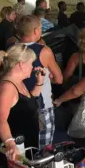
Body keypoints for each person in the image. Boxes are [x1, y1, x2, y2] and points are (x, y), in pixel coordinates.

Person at [17, 15, 63, 148]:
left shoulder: (12, 49)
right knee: (44, 145)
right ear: (36, 31)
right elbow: (59, 79)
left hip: (18, 103)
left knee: (23, 144)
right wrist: (47, 78)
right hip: (41, 106)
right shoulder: (44, 51)